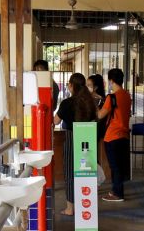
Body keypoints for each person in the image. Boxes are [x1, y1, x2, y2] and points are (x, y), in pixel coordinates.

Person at [55, 73, 98, 216]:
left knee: (70, 173)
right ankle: (85, 206)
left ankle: (70, 208)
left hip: (72, 138)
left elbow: (55, 121)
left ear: (72, 85)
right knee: (86, 173)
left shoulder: (67, 103)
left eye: (68, 84)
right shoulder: (90, 102)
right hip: (87, 139)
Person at [97, 68, 131, 202]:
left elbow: (100, 115)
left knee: (115, 166)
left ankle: (117, 193)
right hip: (124, 135)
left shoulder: (111, 97)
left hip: (112, 136)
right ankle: (117, 190)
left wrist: (95, 105)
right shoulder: (126, 95)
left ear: (111, 81)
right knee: (120, 166)